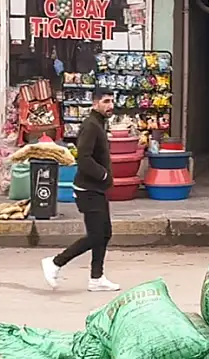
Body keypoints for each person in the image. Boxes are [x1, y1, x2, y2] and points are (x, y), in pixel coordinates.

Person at [42, 87, 120, 292]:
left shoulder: (100, 124)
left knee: (105, 233)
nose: (110, 105)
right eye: (105, 101)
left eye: (112, 101)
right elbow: (83, 158)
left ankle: (97, 277)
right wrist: (103, 174)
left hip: (98, 189)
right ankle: (55, 263)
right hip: (88, 189)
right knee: (96, 235)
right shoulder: (91, 126)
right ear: (95, 103)